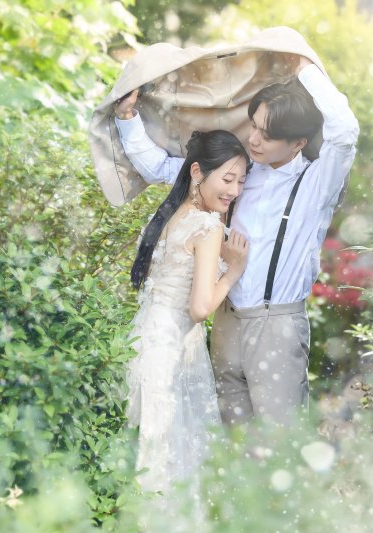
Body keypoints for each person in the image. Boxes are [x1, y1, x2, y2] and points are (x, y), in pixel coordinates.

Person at [114, 55, 360, 427]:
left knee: (281, 443)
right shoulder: (240, 174)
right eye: (255, 126)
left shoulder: (316, 184)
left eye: (267, 134)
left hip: (275, 324)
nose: (254, 139)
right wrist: (128, 120)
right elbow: (169, 170)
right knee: (231, 443)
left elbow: (345, 130)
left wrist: (304, 68)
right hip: (226, 320)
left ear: (298, 143)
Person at [120, 128, 251, 499]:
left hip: (142, 339)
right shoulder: (208, 225)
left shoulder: (167, 214)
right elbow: (199, 309)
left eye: (241, 181)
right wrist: (234, 271)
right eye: (227, 179)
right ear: (197, 172)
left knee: (146, 451)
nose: (234, 191)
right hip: (172, 348)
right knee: (169, 458)